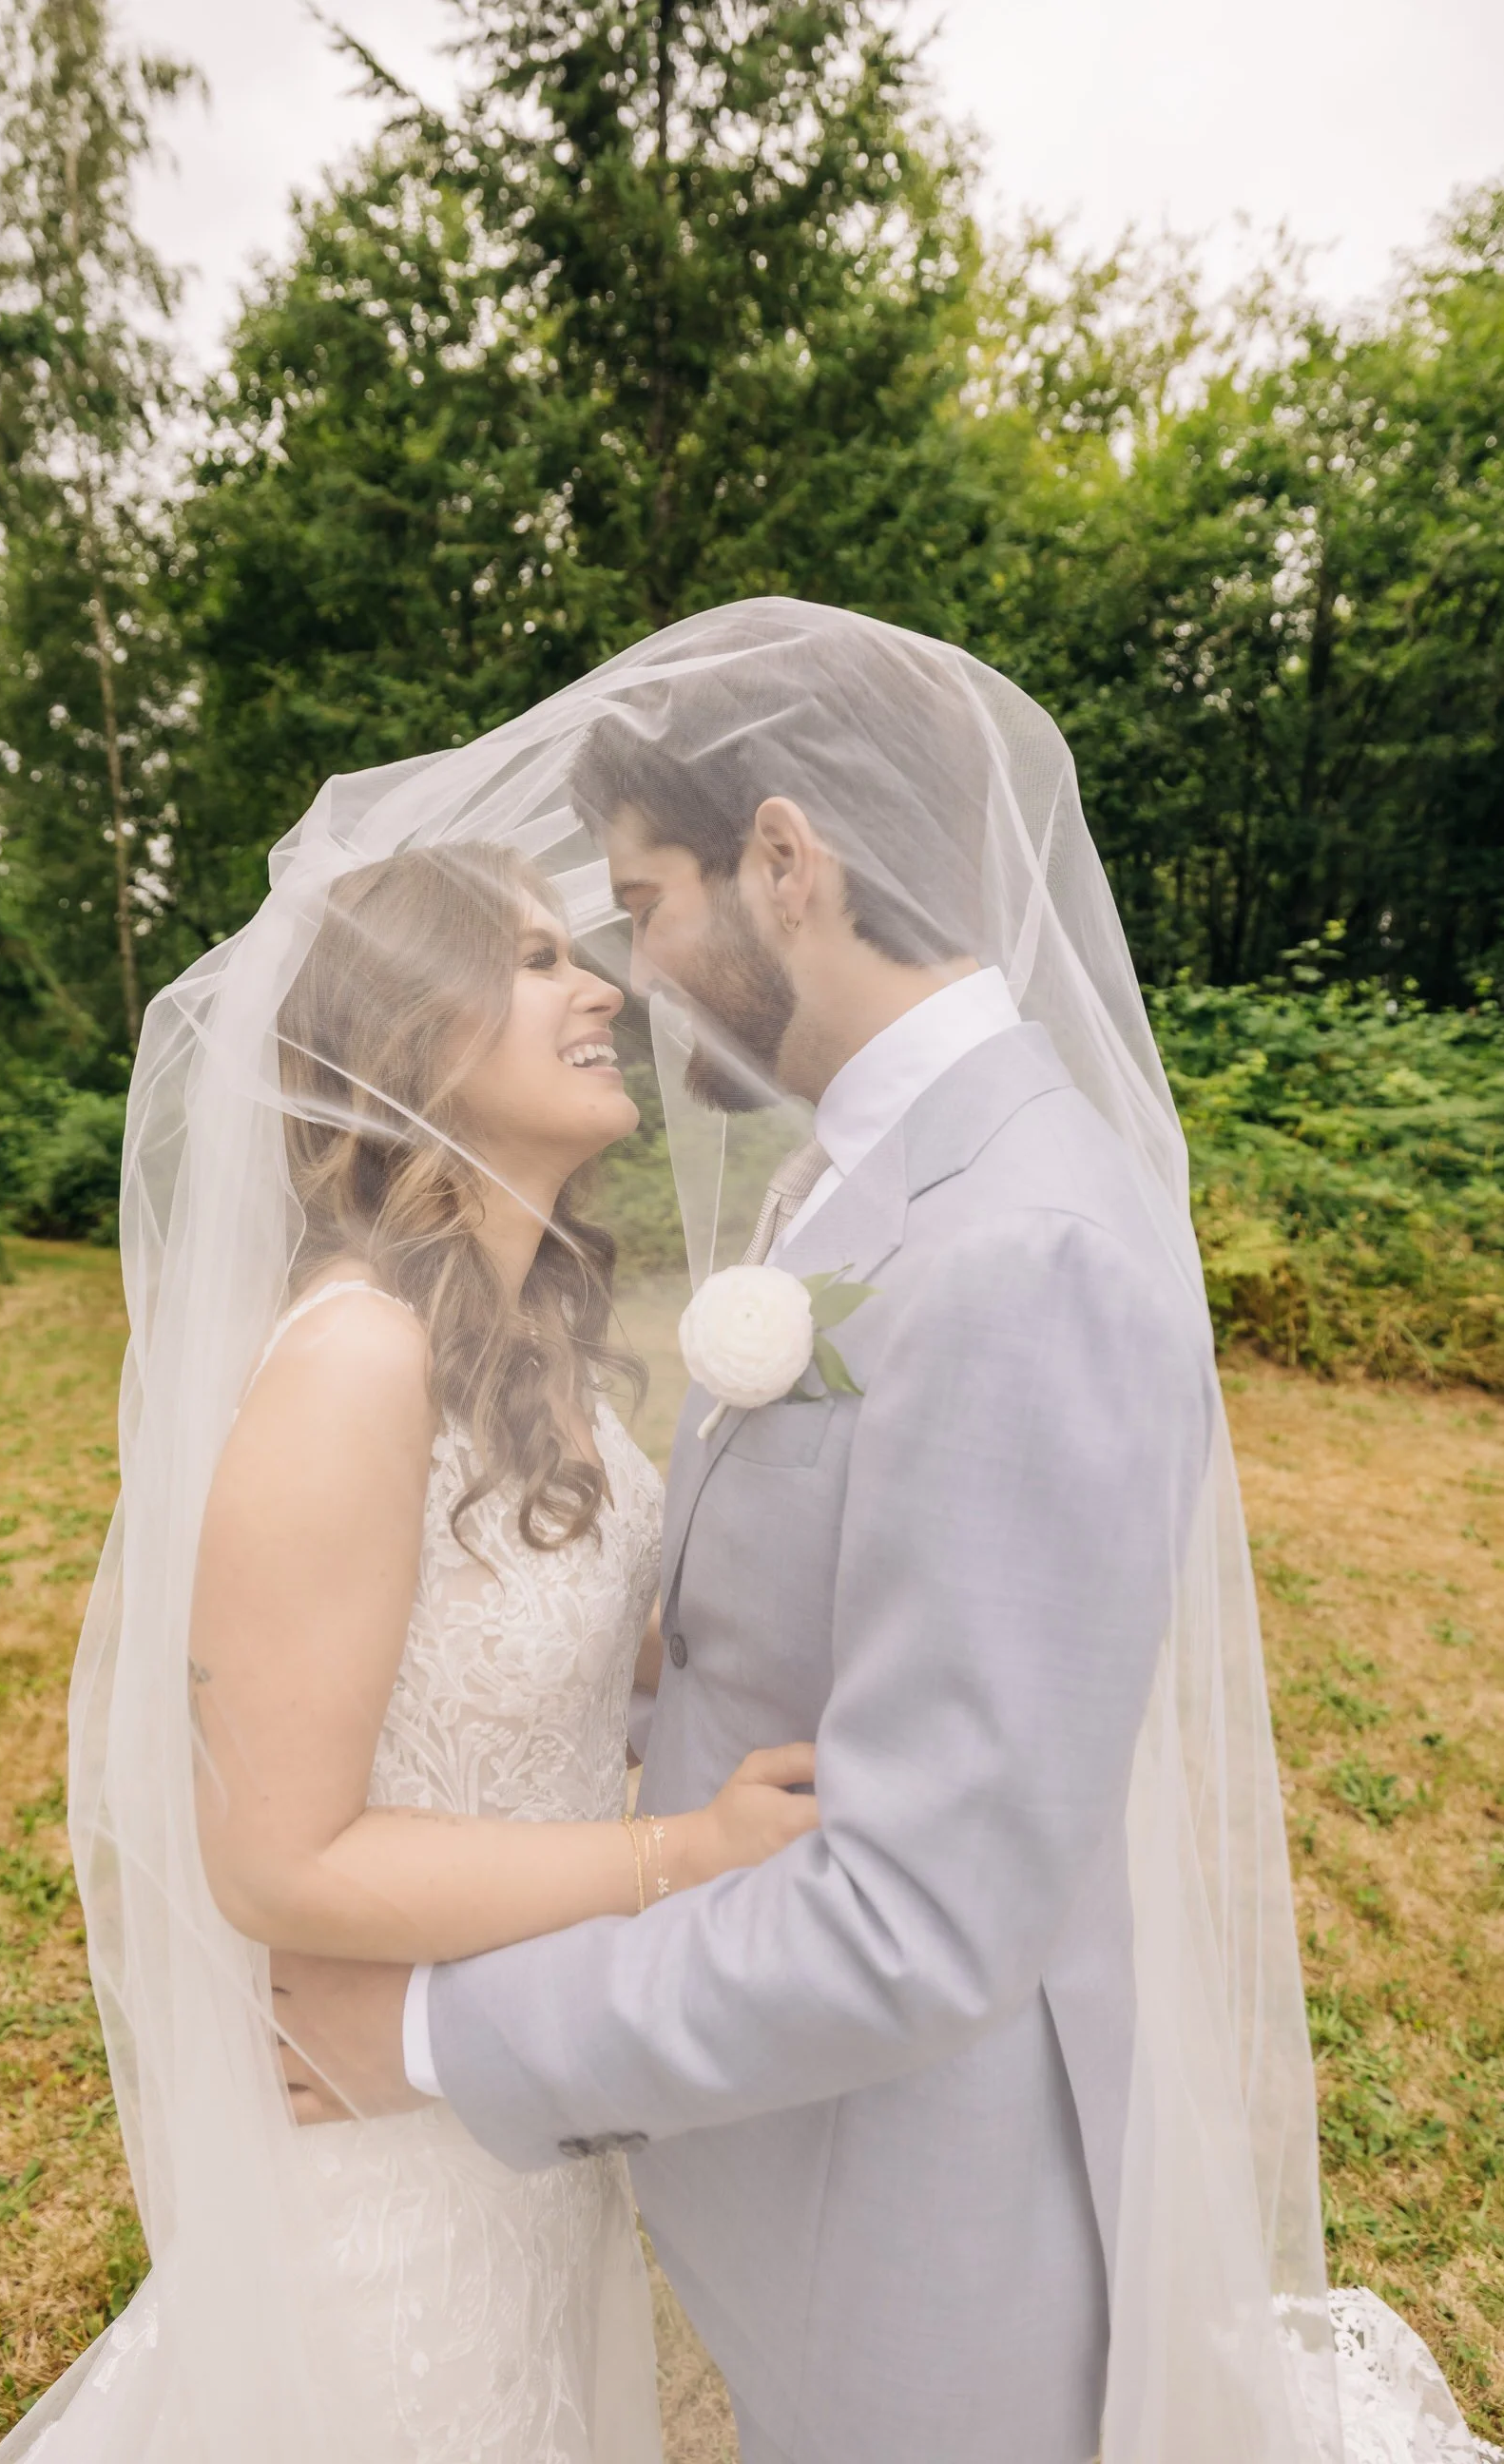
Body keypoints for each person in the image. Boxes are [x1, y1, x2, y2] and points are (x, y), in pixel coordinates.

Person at [274, 603, 1496, 2464]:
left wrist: (436, 2037)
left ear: (786, 861)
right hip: (802, 2171)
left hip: (931, 2236)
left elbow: (919, 1922)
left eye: (644, 901)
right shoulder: (868, 1182)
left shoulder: (1026, 1248)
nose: (633, 972)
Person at [0, 841, 817, 2461]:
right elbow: (279, 1861)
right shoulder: (357, 1359)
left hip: (506, 2092)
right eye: (536, 960)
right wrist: (677, 1856)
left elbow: (564, 1652)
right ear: (410, 1036)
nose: (601, 989)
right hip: (384, 2156)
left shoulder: (523, 1340)